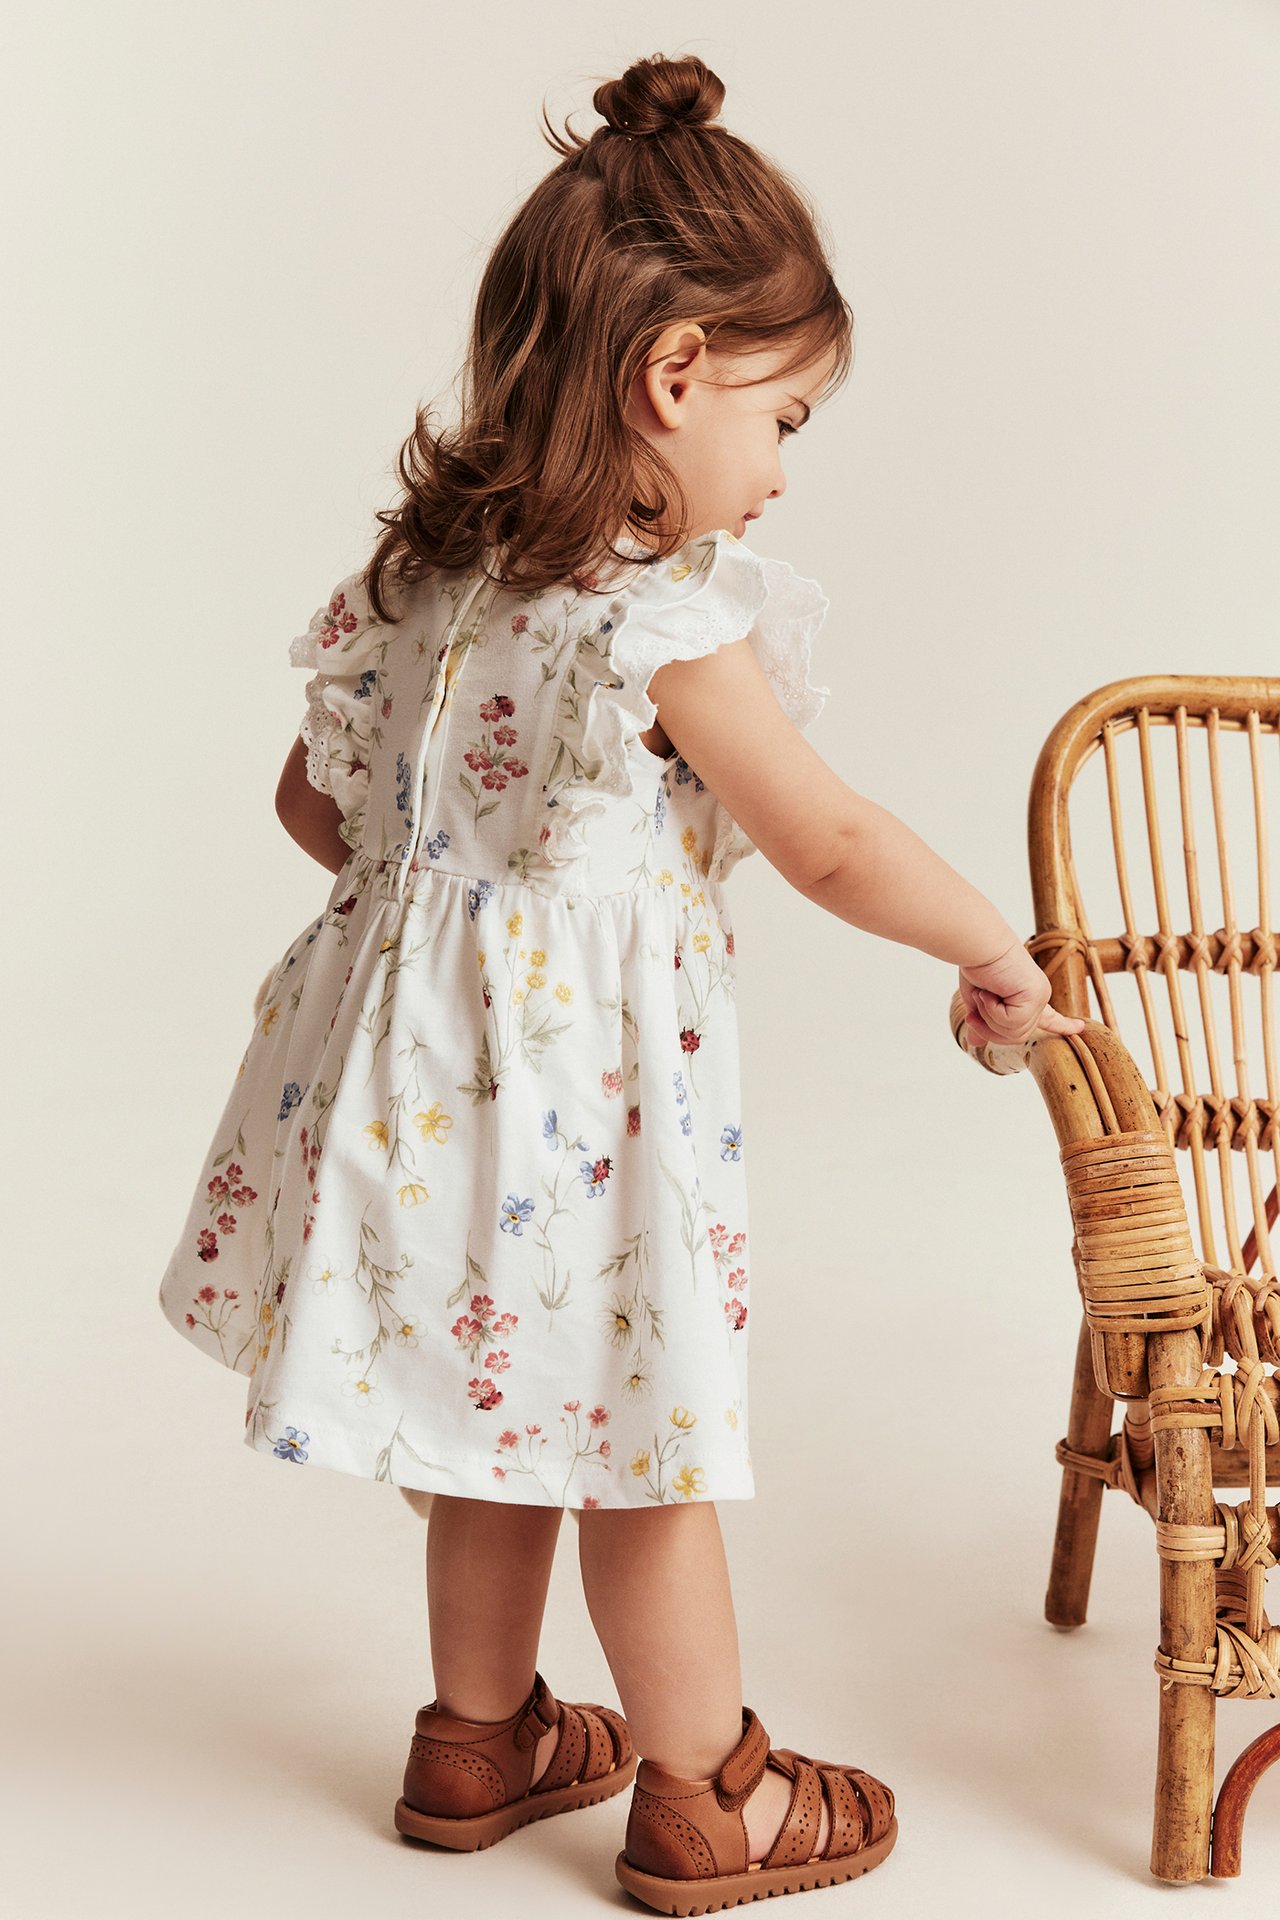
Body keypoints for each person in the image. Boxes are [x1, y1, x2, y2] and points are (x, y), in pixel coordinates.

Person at [158, 49, 1085, 1913]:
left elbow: (307, 802)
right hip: (587, 1105)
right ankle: (701, 1794)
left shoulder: (429, 571)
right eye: (788, 416)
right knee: (643, 1434)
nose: (783, 461)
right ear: (677, 378)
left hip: (410, 1096)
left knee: (496, 1413)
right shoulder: (658, 606)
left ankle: (478, 1740)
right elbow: (824, 838)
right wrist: (996, 940)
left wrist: (451, 934)